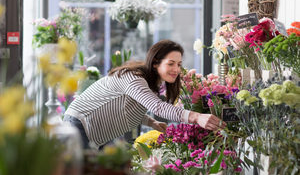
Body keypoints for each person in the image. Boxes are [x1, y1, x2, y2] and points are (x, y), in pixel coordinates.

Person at [64, 39, 226, 149]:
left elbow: (124, 107)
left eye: (179, 64)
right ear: (155, 63)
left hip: (94, 132)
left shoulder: (148, 83)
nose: (176, 70)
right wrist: (197, 117)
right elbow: (159, 107)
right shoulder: (134, 78)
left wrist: (152, 123)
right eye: (171, 64)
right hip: (80, 125)